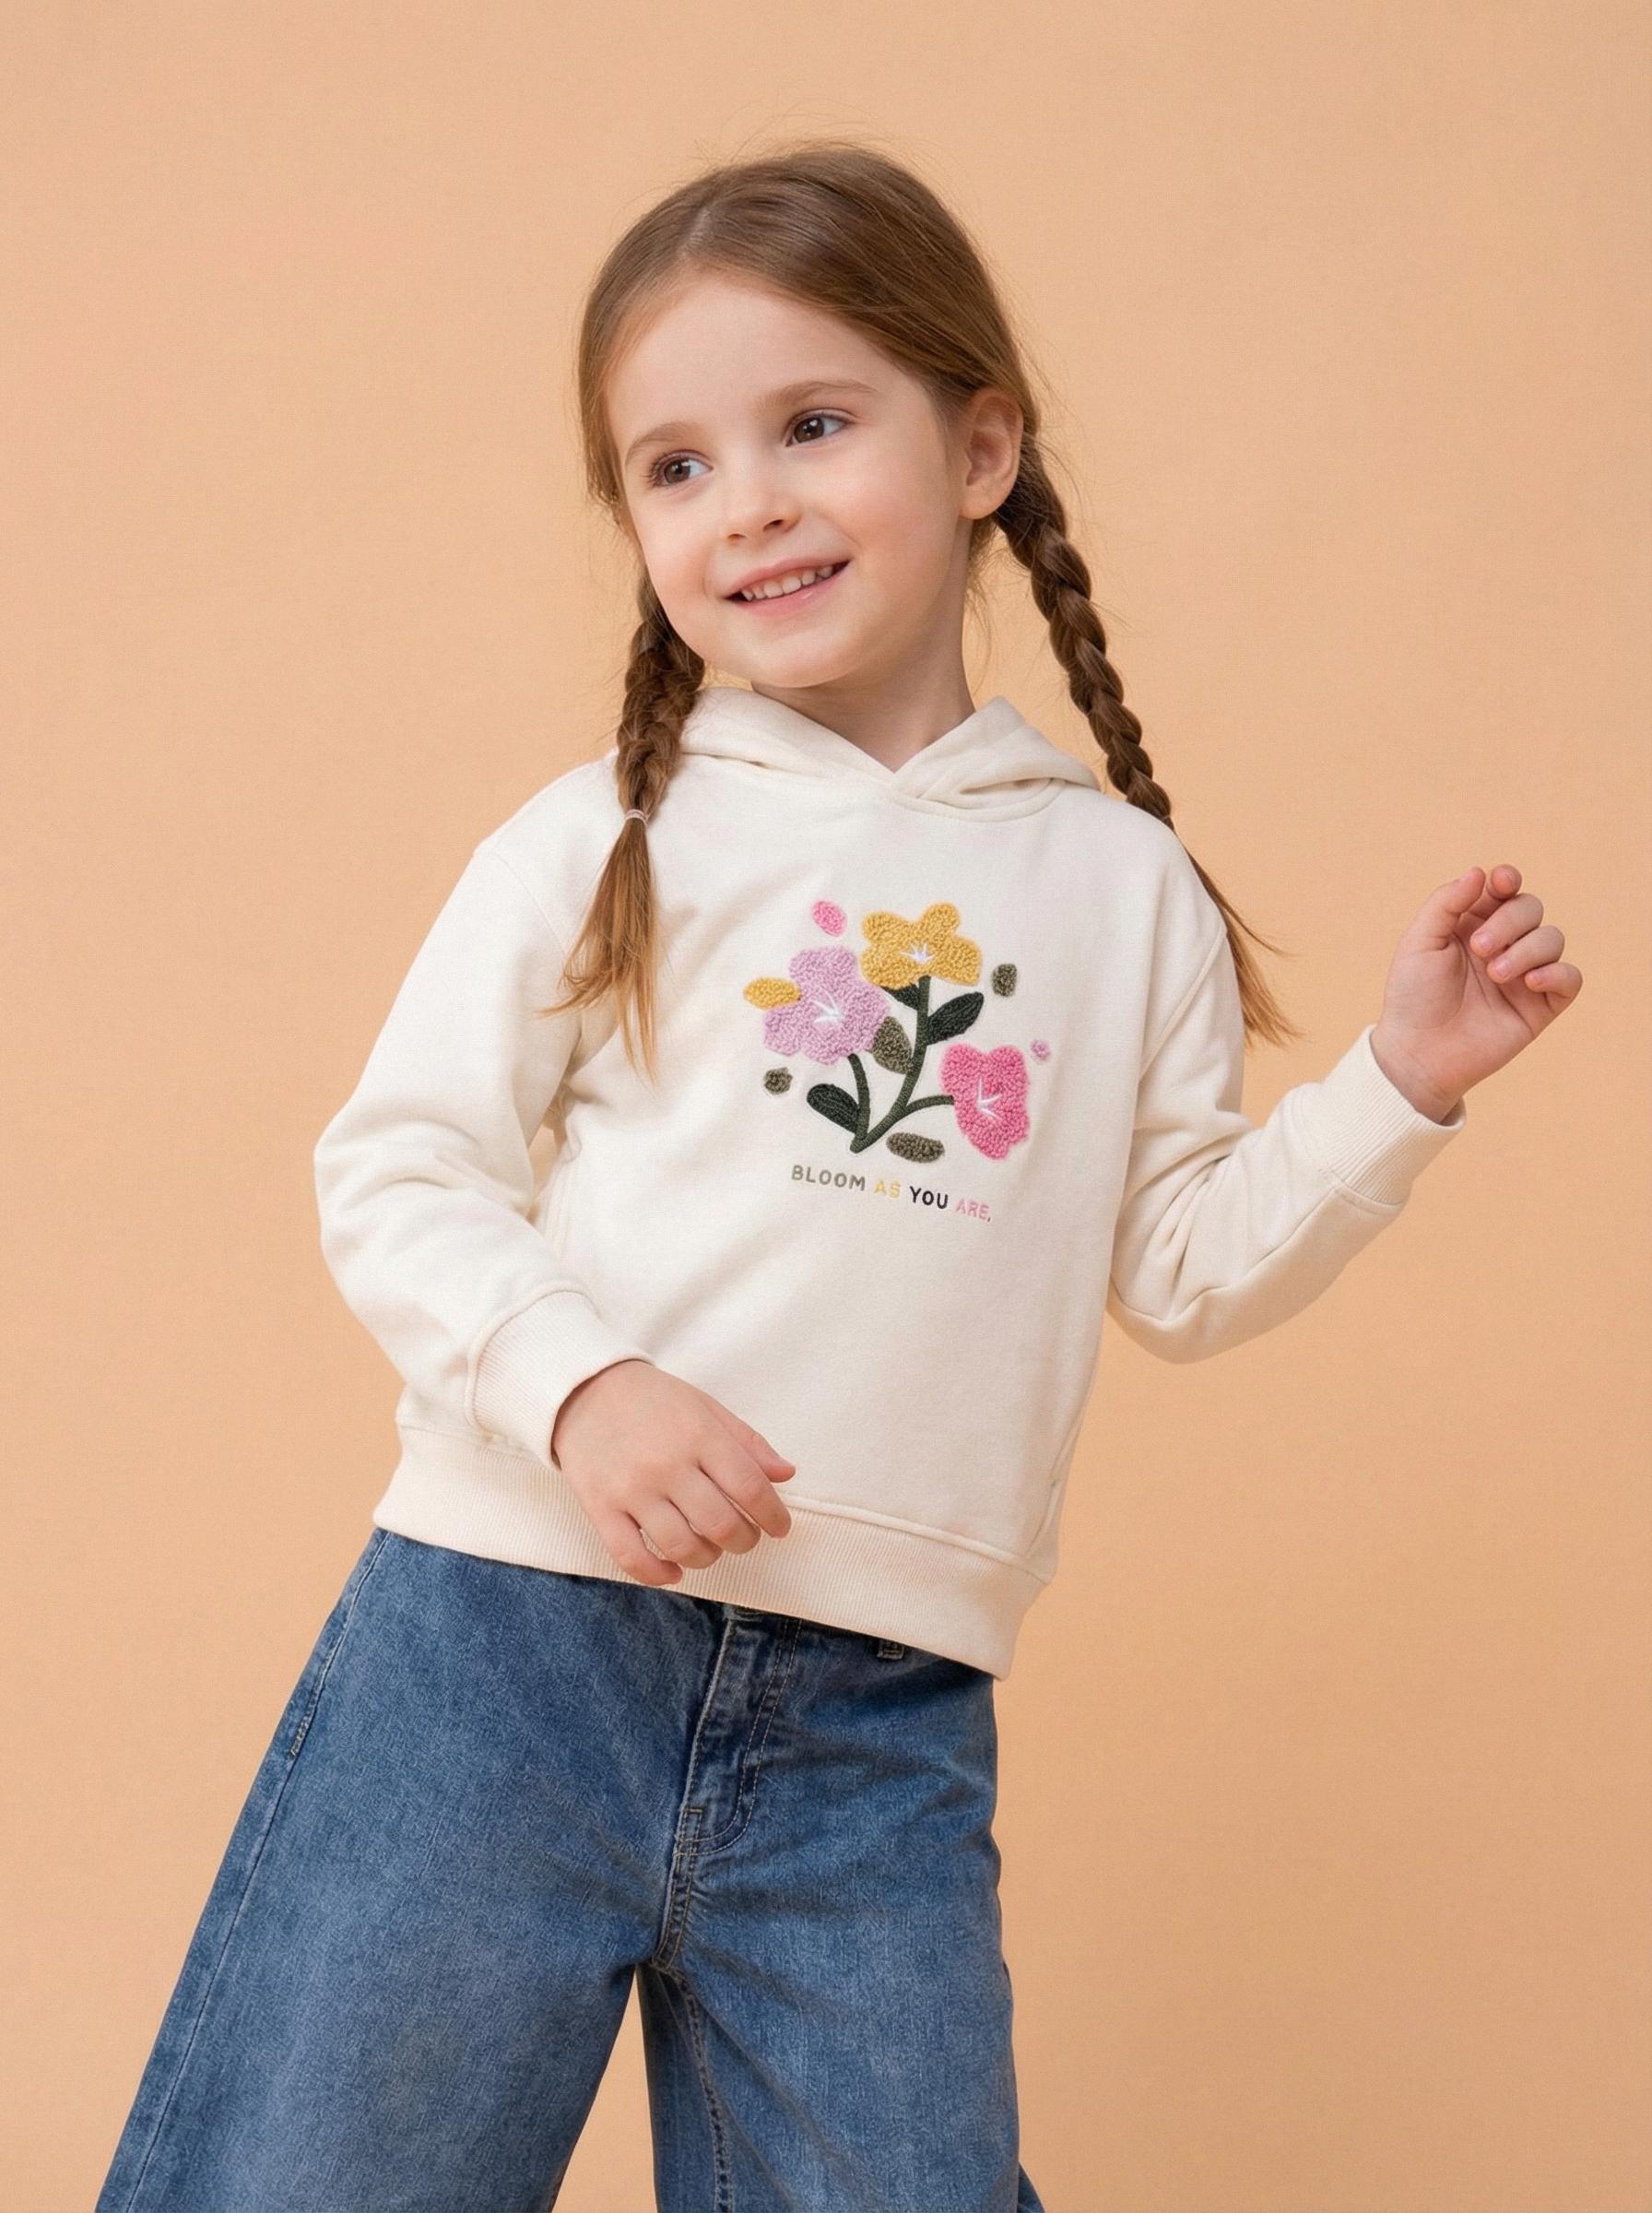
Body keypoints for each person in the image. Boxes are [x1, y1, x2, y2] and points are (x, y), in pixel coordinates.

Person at [95, 139, 1579, 2213]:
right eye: (675, 466)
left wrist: (1396, 1085)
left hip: (877, 1733)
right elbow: (401, 1166)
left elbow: (1179, 1265)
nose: (749, 504)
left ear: (978, 448)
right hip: (504, 1647)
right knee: (317, 2173)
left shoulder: (1117, 886)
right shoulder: (600, 838)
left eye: (811, 425)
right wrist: (580, 1389)